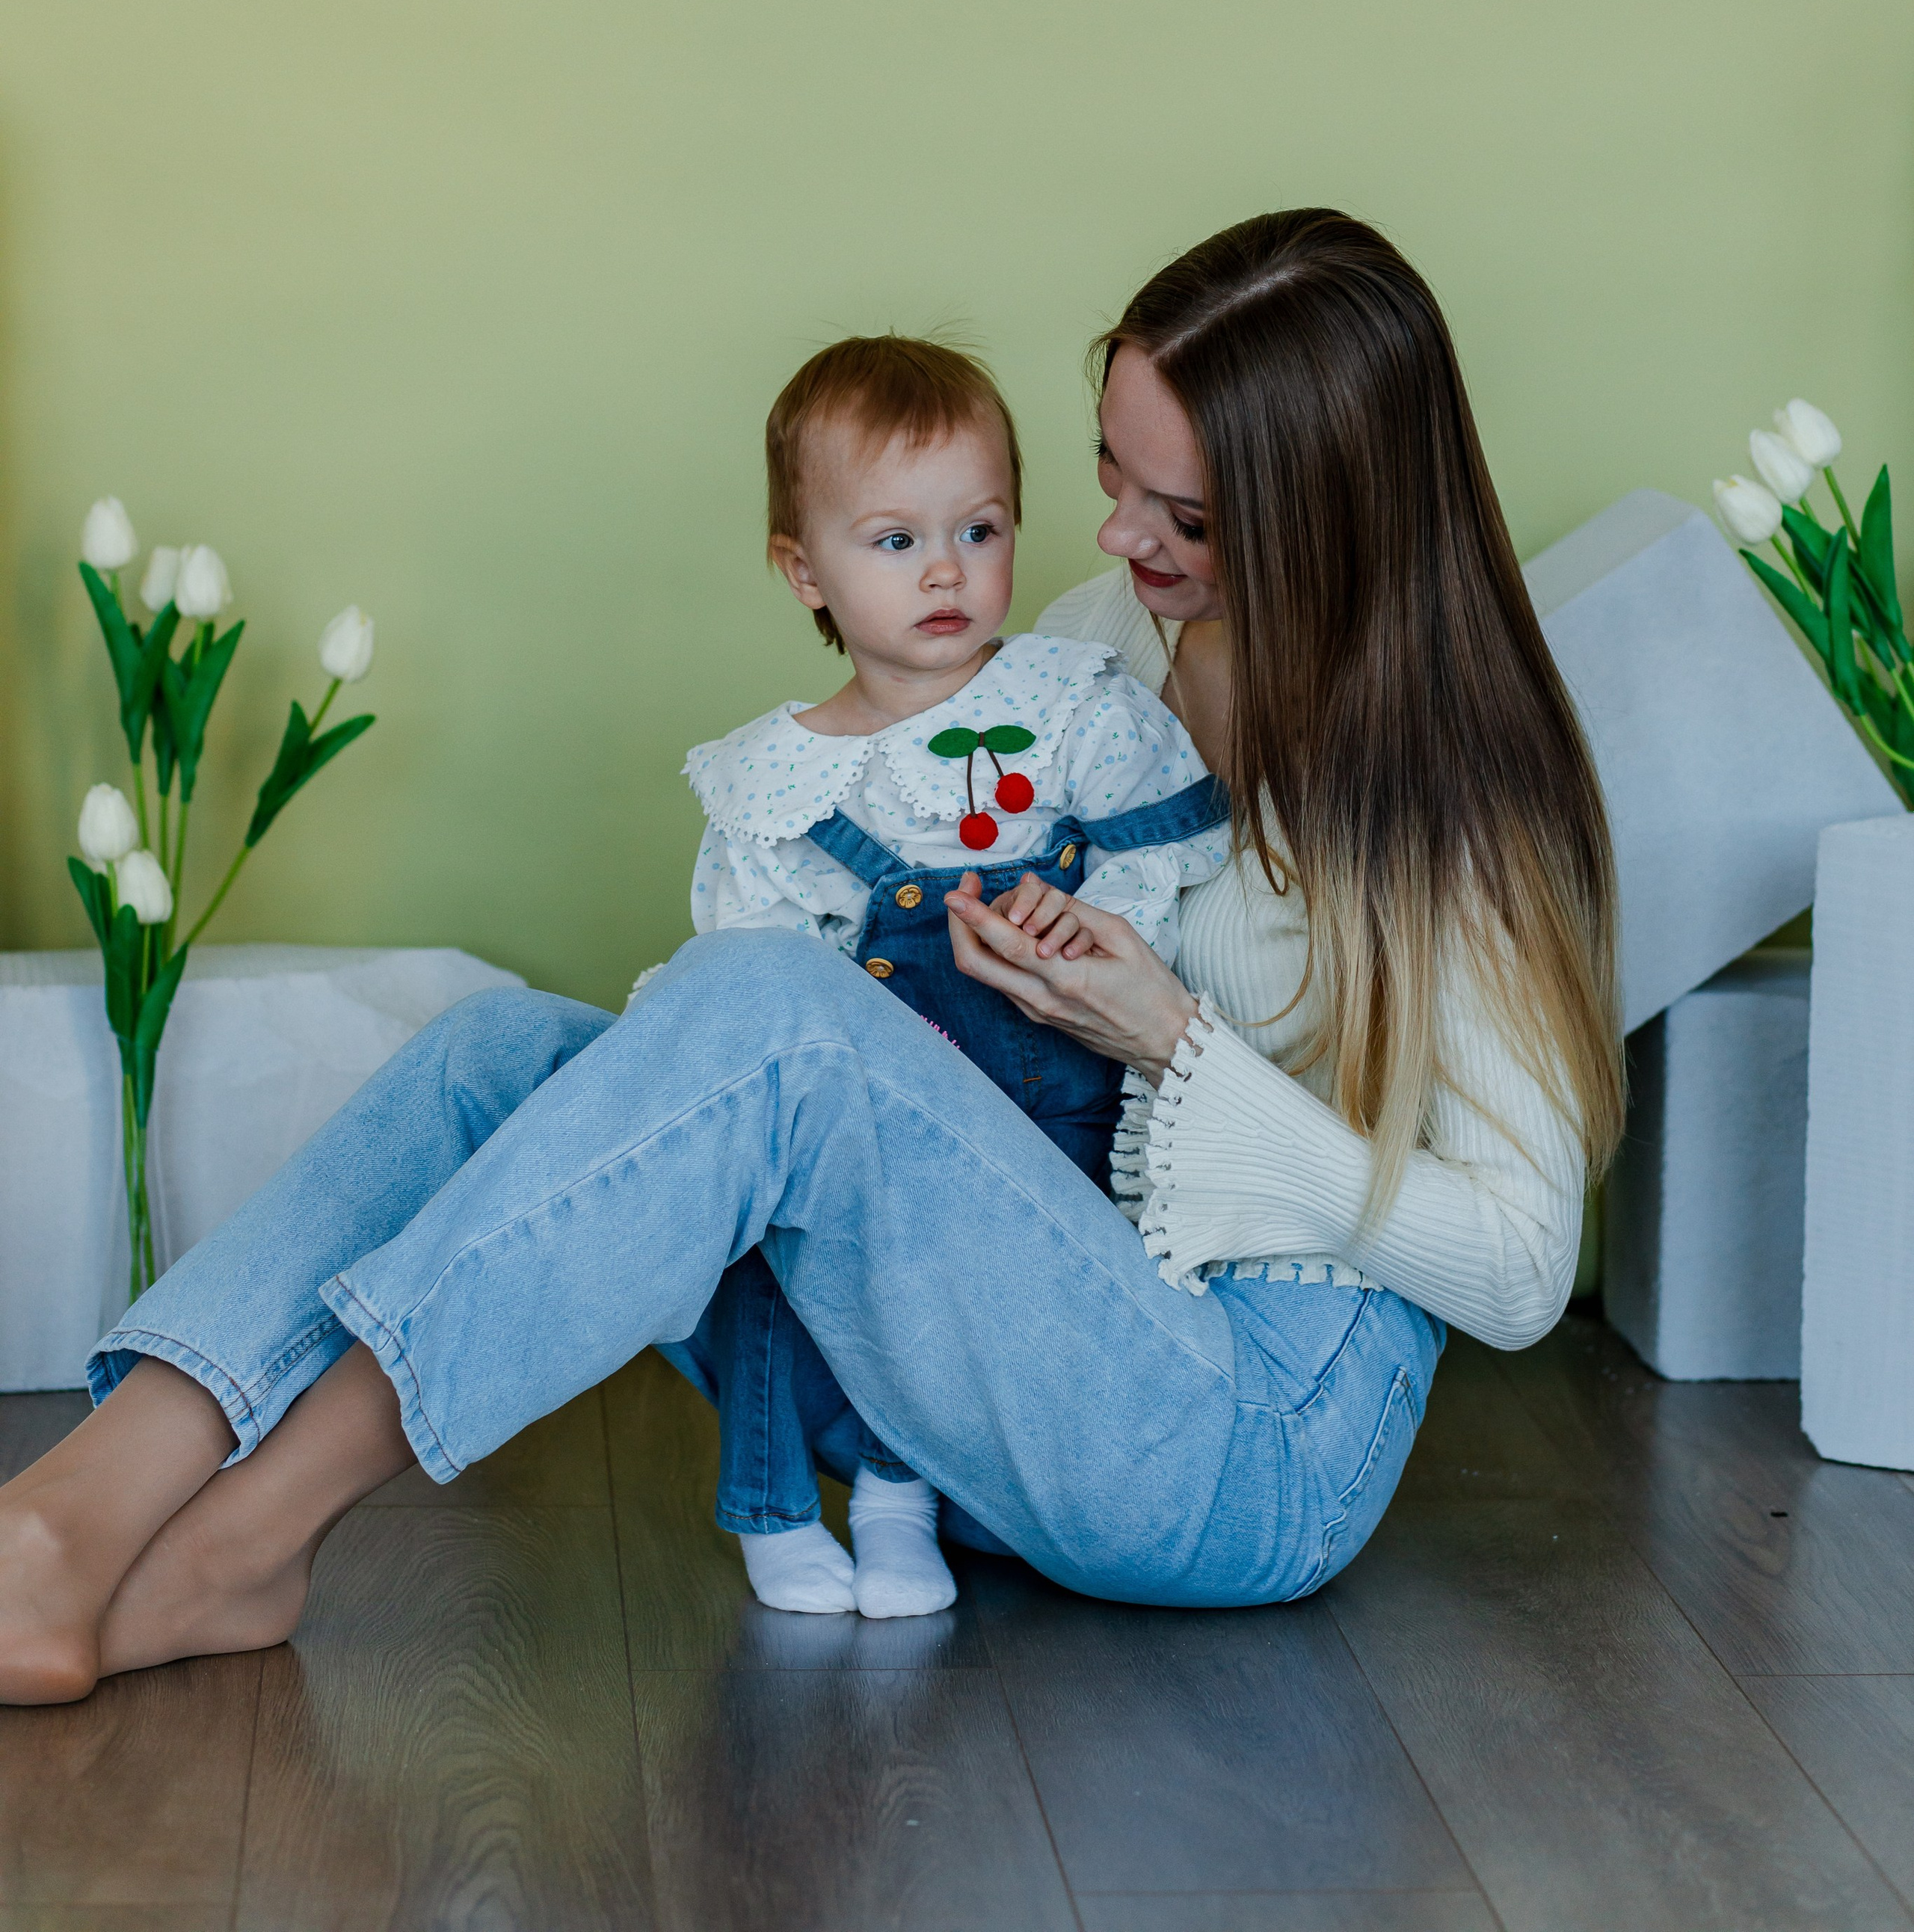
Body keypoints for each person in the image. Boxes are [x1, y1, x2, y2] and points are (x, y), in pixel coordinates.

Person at [0, 209, 1622, 1709]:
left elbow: (1515, 1270)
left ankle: (244, 1540)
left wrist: (1176, 1046)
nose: (1116, 533)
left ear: (1325, 523)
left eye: (1181, 514)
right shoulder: (1099, 644)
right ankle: (82, 1505)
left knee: (772, 1022)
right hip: (1009, 1381)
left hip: (1245, 1448)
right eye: (1105, 471)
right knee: (505, 1053)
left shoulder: (1461, 815)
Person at [667, 333, 1228, 1618]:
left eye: (978, 532)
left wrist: (1084, 919)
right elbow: (747, 984)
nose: (945, 574)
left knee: (954, 1311)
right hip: (862, 1107)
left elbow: (1173, 846)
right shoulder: (783, 781)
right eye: (893, 542)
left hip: (1042, 1112)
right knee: (790, 1263)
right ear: (803, 571)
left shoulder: (1068, 701)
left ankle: (903, 1501)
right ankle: (768, 1504)